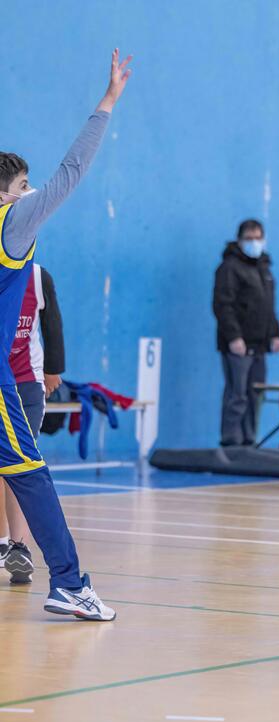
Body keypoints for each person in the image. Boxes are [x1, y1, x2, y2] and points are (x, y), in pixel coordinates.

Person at [0, 49, 132, 620]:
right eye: (23, 185)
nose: (31, 192)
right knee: (32, 476)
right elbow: (72, 172)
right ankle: (69, 584)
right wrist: (107, 102)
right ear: (8, 195)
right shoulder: (13, 223)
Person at [0, 263, 65, 584]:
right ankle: (3, 542)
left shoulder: (38, 276)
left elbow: (53, 326)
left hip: (26, 383)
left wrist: (53, 370)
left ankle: (18, 546)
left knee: (21, 465)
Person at [213, 219, 279, 447]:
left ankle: (249, 440)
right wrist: (234, 337)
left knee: (255, 394)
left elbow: (267, 306)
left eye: (258, 237)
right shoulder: (229, 268)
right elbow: (223, 305)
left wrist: (275, 334)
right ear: (240, 240)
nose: (254, 242)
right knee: (238, 394)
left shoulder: (264, 269)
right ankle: (231, 441)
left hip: (259, 345)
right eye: (249, 238)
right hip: (238, 345)